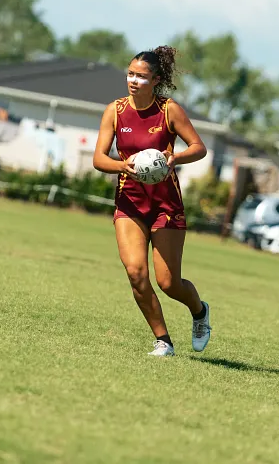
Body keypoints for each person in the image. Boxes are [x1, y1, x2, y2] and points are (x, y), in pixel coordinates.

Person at [92, 46, 212, 357]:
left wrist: (176, 157)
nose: (133, 81)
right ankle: (163, 341)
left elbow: (199, 147)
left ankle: (199, 312)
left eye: (141, 77)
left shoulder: (169, 110)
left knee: (168, 283)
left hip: (165, 205)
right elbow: (98, 158)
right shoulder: (115, 111)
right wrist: (123, 166)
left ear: (156, 80)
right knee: (136, 272)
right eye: (130, 74)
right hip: (130, 202)